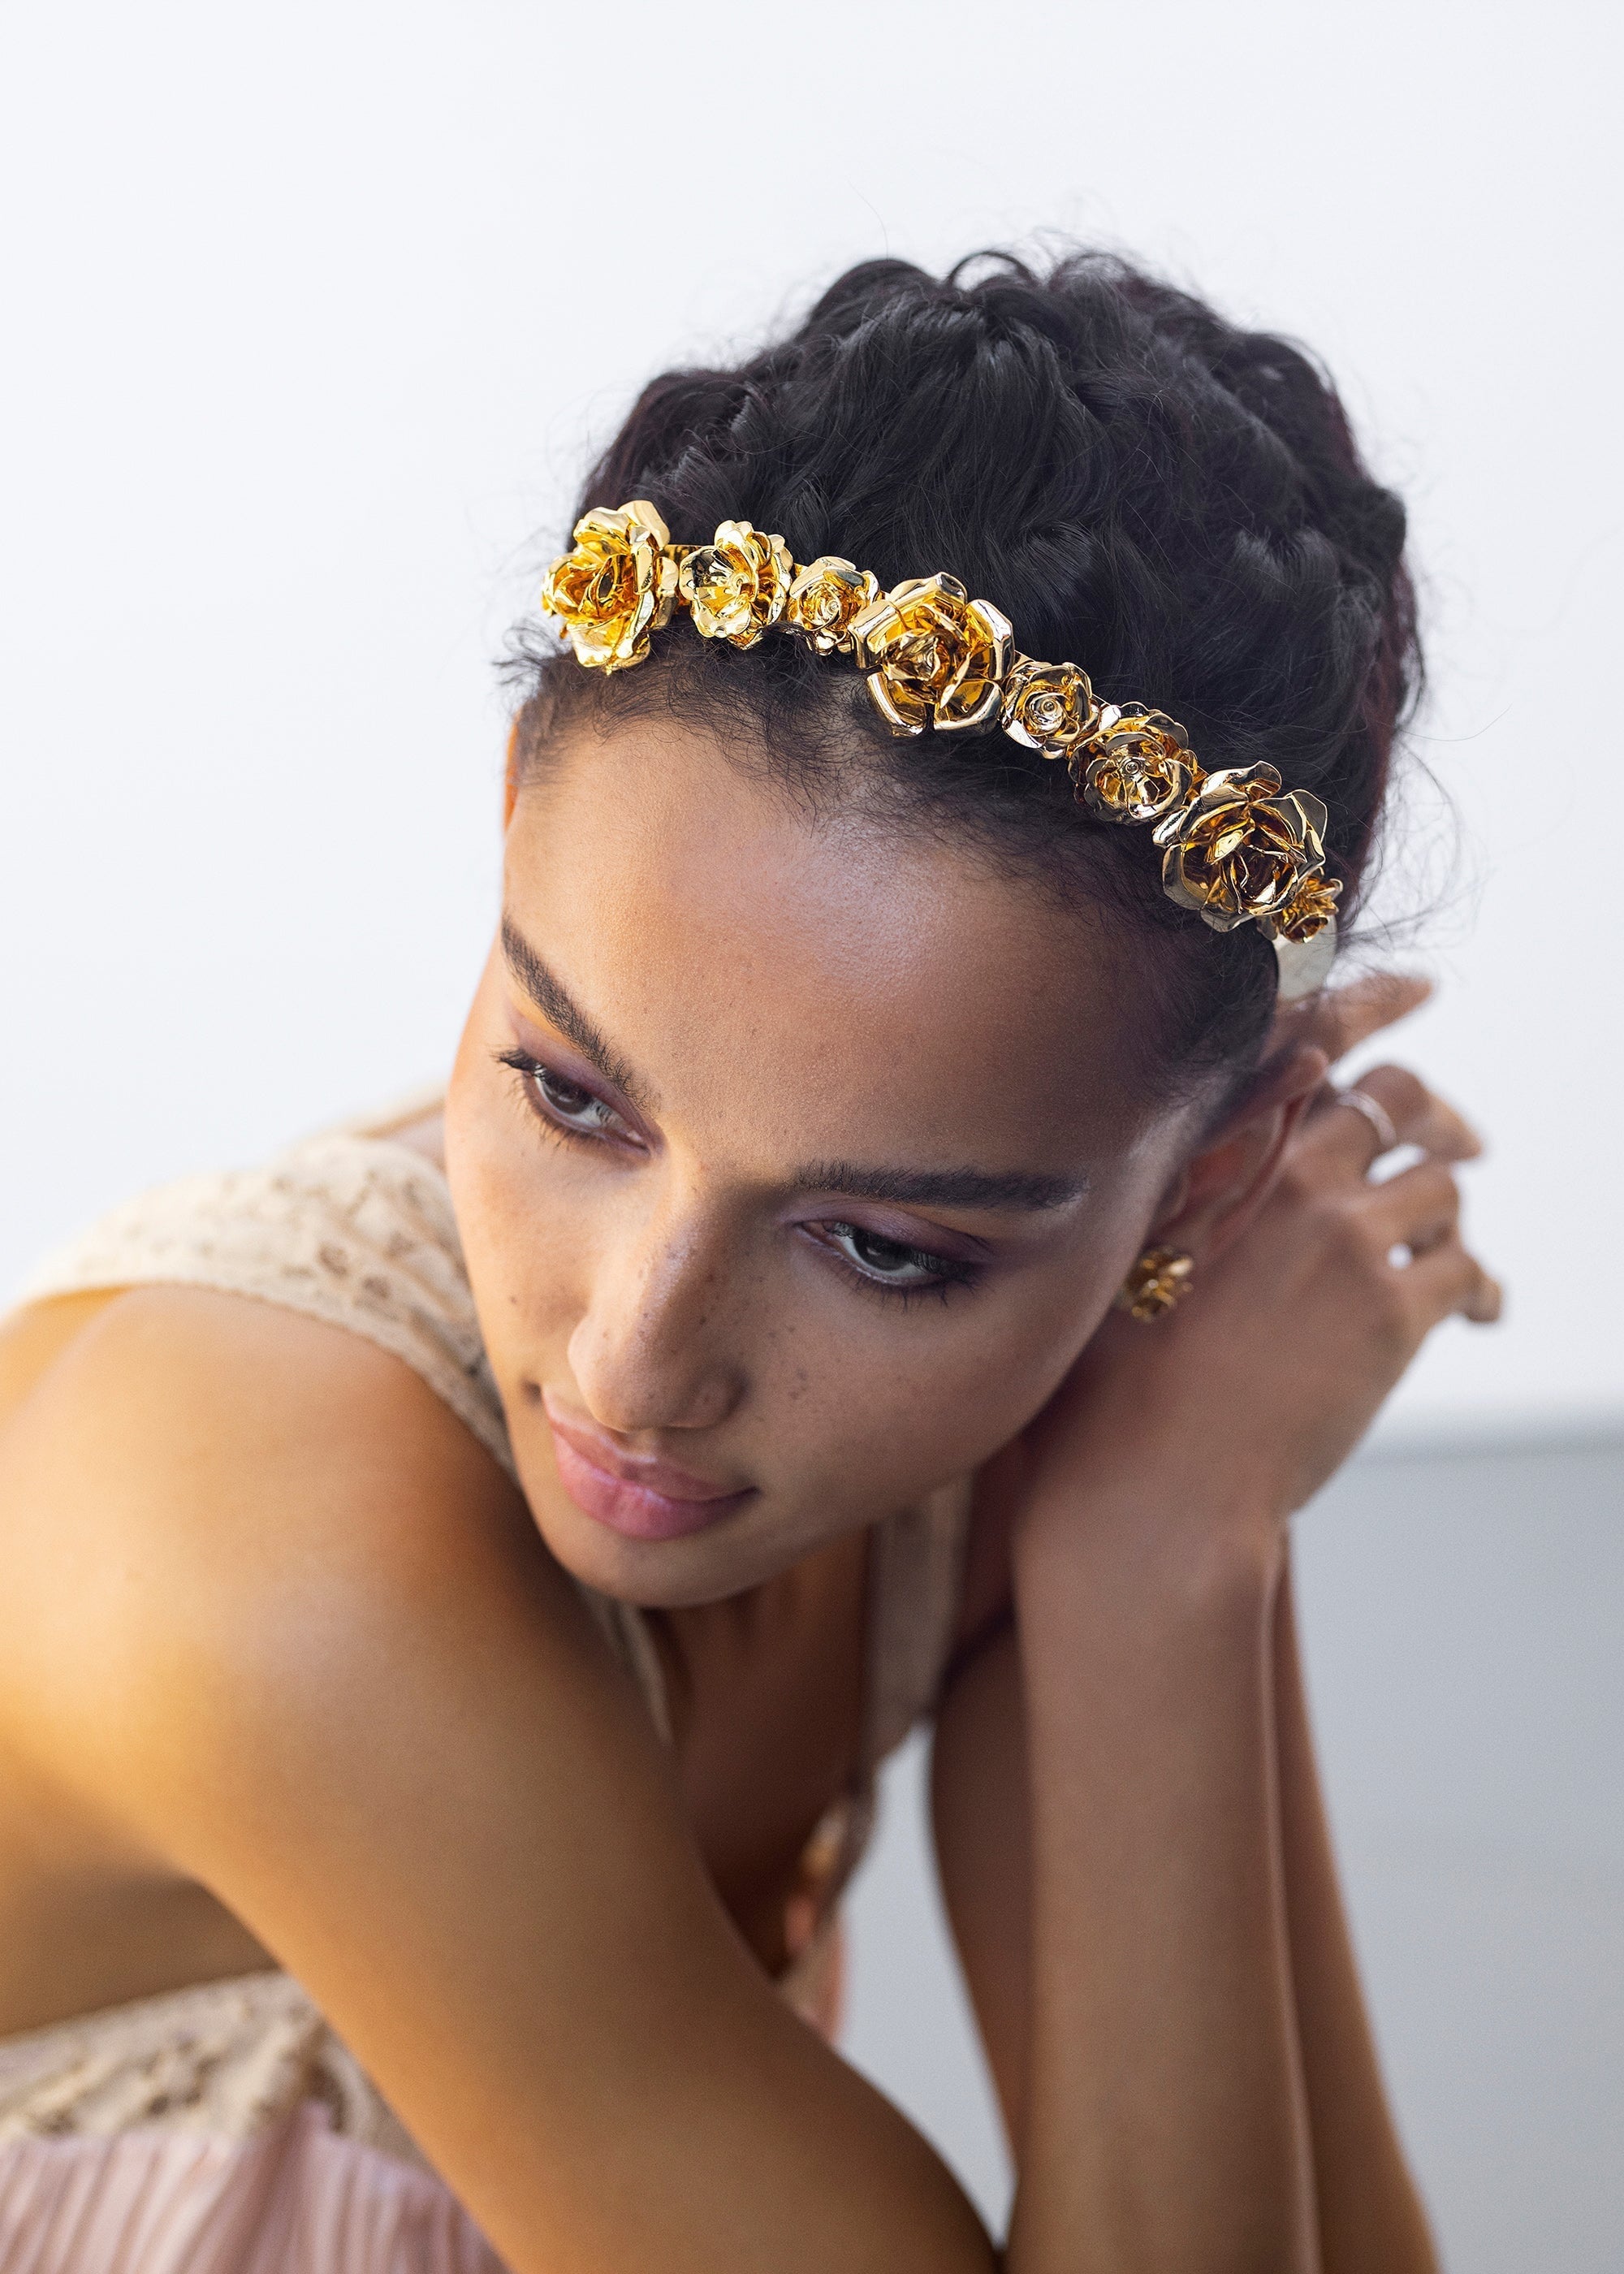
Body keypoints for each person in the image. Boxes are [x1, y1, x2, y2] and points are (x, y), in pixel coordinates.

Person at [0, 249, 1499, 2274]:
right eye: (571, 1096)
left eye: (881, 1243)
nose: (633, 1357)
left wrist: (1166, 1543)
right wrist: (1149, 1539)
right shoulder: (257, 1545)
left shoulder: (1076, 1419)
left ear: (1212, 1183)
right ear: (512, 815)